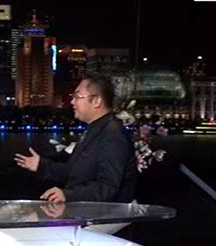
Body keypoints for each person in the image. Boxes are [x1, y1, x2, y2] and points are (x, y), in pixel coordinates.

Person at [14, 73, 136, 203]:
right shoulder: (94, 130)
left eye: (77, 97)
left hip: (102, 214)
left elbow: (108, 187)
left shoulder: (112, 135)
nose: (72, 102)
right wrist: (41, 165)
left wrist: (68, 195)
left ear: (96, 101)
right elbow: (75, 173)